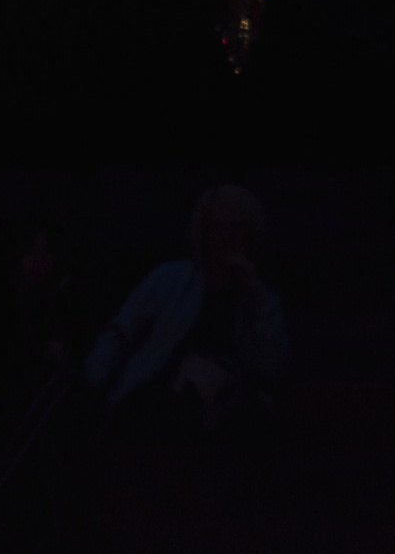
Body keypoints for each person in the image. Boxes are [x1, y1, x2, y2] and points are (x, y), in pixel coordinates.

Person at [84, 184, 289, 433]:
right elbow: (121, 334)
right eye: (216, 227)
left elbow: (272, 367)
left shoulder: (262, 299)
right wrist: (89, 386)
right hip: (160, 395)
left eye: (236, 225)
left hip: (229, 408)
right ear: (203, 235)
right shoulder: (169, 279)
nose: (227, 236)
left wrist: (255, 296)